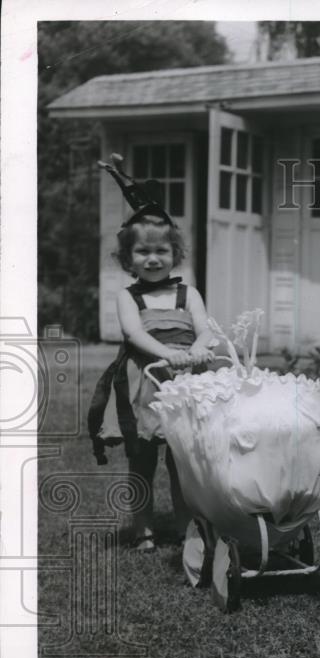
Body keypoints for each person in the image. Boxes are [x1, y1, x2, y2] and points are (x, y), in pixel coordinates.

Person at [88, 154, 215, 551]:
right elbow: (132, 334)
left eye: (161, 251)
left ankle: (185, 524)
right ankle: (142, 526)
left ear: (174, 253)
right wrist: (165, 352)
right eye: (143, 253)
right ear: (129, 259)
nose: (153, 258)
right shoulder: (128, 296)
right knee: (141, 459)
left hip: (186, 378)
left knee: (181, 459)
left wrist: (196, 347)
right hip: (145, 379)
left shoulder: (187, 292)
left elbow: (205, 327)